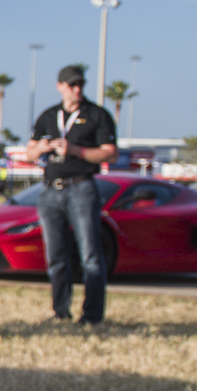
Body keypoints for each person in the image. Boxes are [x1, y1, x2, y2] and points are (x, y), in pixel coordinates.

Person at [24, 65, 118, 325]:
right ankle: (60, 311)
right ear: (60, 86)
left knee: (90, 255)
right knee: (55, 255)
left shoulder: (97, 115)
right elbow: (28, 153)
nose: (77, 89)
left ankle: (91, 316)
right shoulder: (48, 116)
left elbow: (110, 153)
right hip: (50, 190)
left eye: (80, 85)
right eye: (71, 85)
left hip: (81, 187)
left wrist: (76, 150)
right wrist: (41, 148)